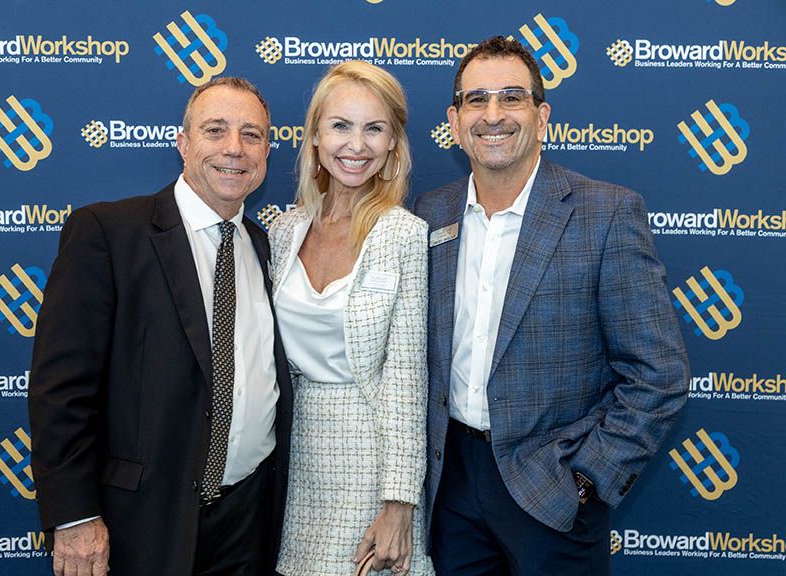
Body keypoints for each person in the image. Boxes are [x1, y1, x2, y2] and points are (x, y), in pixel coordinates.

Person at [413, 36, 690, 575]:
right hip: (450, 487)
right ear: (454, 121)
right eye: (476, 99)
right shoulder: (430, 212)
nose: (493, 114)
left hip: (553, 489)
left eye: (512, 97)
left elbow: (659, 374)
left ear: (542, 117)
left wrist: (587, 479)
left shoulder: (605, 213)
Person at [28, 77, 292, 576]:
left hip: (249, 517)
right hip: (141, 521)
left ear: (266, 151)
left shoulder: (262, 245)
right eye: (215, 130)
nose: (234, 148)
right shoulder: (109, 234)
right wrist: (74, 517)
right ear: (183, 143)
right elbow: (61, 391)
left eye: (251, 134)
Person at [269, 61, 433, 576]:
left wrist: (399, 502)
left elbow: (406, 378)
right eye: (341, 125)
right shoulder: (283, 231)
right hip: (291, 457)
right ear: (316, 136)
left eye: (374, 128)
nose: (356, 145)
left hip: (372, 461)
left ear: (392, 144)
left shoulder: (403, 234)